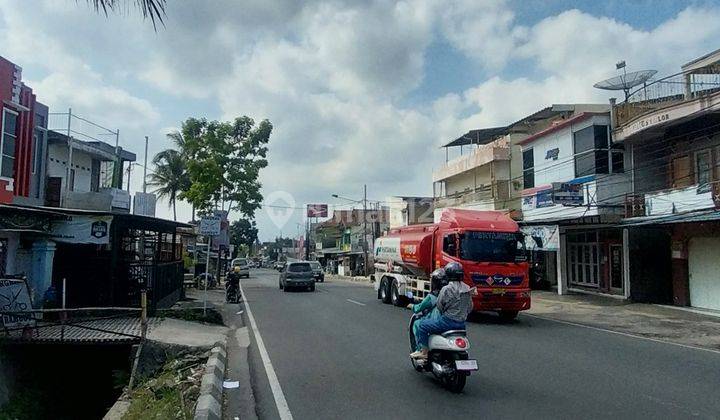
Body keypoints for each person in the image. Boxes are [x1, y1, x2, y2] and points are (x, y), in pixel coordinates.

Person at [410, 262, 474, 360]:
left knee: (422, 325)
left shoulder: (446, 289)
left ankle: (424, 352)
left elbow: (440, 305)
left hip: (447, 322)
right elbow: (470, 307)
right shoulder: (467, 289)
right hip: (461, 324)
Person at [410, 268, 447, 351]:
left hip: (436, 320)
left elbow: (419, 308)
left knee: (417, 324)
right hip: (450, 320)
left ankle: (421, 349)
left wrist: (412, 306)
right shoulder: (451, 294)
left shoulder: (432, 297)